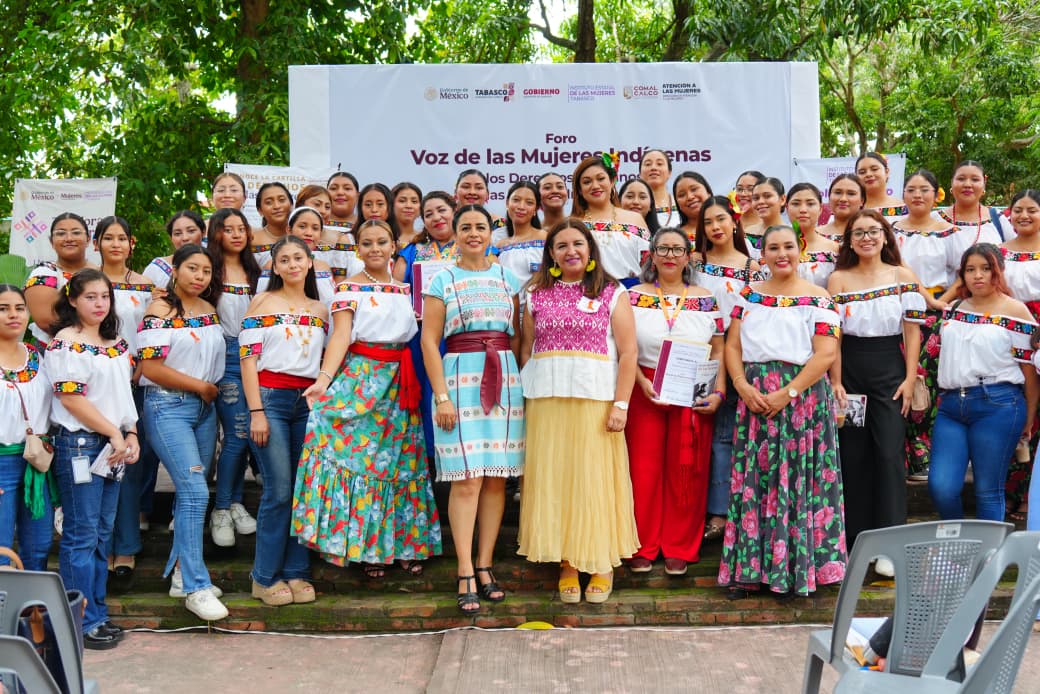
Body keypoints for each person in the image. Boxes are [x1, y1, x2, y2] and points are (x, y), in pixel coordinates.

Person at [294, 220, 441, 577]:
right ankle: (365, 548)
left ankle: (407, 544)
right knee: (360, 462)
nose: (375, 248)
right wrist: (324, 380)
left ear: (394, 246)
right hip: (362, 379)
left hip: (402, 383)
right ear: (357, 249)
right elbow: (341, 337)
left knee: (402, 465)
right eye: (367, 243)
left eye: (382, 242)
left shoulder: (411, 289)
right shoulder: (347, 289)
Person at [720, 225, 846, 599]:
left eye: (788, 246)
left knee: (799, 480)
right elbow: (732, 346)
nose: (781, 254)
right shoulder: (748, 296)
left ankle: (798, 571)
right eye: (773, 247)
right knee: (756, 480)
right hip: (755, 396)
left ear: (800, 250)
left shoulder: (819, 298)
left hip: (801, 399)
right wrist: (742, 386)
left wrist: (787, 393)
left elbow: (825, 353)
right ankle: (751, 571)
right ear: (763, 254)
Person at [518, 219, 639, 604]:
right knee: (555, 479)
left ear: (590, 251)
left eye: (577, 244)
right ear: (550, 254)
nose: (570, 251)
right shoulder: (535, 294)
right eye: (561, 245)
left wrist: (621, 403)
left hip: (595, 398)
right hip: (547, 400)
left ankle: (601, 563)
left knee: (593, 479)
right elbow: (526, 349)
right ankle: (567, 561)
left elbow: (629, 352)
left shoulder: (611, 292)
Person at [421, 204, 525, 614]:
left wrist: (513, 379)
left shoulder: (507, 277)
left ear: (491, 232)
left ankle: (485, 565)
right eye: (465, 227)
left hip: (504, 381)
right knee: (466, 479)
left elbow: (515, 336)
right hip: (459, 381)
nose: (473, 233)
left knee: (497, 481)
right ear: (456, 233)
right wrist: (442, 396)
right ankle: (463, 567)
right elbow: (430, 342)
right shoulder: (442, 278)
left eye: (480, 227)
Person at [828, 210, 925, 573]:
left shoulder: (903, 276)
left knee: (887, 453)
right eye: (858, 232)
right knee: (853, 457)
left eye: (873, 231)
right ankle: (855, 541)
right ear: (849, 240)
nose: (866, 237)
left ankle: (891, 546)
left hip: (890, 370)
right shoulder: (837, 280)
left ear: (885, 236)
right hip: (849, 370)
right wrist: (836, 381)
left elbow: (912, 331)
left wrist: (909, 375)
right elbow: (832, 336)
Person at [625, 228, 725, 576]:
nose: (670, 255)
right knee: (643, 469)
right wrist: (639, 381)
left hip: (693, 386)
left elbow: (719, 347)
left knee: (688, 469)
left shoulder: (706, 297)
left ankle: (679, 546)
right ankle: (642, 544)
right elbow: (625, 348)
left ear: (688, 256)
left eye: (677, 249)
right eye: (662, 248)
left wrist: (717, 392)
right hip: (644, 386)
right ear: (651, 255)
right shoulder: (633, 296)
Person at [48, 269, 138, 647]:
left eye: (104, 296)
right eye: (90, 297)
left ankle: (98, 614)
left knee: (103, 533)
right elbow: (71, 398)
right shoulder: (65, 343)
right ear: (72, 300)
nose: (99, 304)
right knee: (81, 535)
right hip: (81, 445)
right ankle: (77, 623)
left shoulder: (115, 341)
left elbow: (122, 393)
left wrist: (130, 431)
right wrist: (113, 431)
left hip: (112, 445)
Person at [138, 245, 227, 621]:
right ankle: (195, 585)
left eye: (206, 271)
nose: (199, 277)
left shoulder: (208, 310)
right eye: (192, 268)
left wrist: (206, 393)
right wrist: (199, 386)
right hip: (168, 405)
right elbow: (150, 367)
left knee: (194, 492)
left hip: (204, 409)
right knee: (192, 492)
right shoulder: (159, 310)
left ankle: (179, 574)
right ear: (174, 270)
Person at [240, 236, 328, 605]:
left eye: (299, 258)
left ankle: (295, 572)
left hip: (307, 403)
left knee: (301, 491)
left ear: (309, 263)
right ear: (274, 267)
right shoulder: (262, 302)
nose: (292, 264)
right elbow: (246, 359)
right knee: (278, 490)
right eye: (285, 259)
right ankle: (263, 577)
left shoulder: (320, 308)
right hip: (271, 400)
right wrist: (256, 411)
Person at [928, 243, 1037, 522]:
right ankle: (958, 548)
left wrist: (1029, 419)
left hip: (998, 405)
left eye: (986, 269)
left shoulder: (1016, 312)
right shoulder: (954, 308)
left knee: (988, 490)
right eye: (970, 269)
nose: (978, 276)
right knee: (941, 487)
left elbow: (1029, 374)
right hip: (952, 405)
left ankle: (988, 559)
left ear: (998, 271)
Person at [692, 196, 764, 542]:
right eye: (708, 222)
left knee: (734, 437)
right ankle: (709, 511)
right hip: (697, 358)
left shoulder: (754, 267)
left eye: (721, 219)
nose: (715, 227)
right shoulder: (695, 264)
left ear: (735, 222)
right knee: (703, 439)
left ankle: (735, 511)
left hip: (740, 357)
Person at [93, 216, 154, 583]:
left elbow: (152, 330)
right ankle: (102, 545)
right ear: (97, 242)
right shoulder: (86, 280)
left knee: (130, 463)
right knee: (99, 462)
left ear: (132, 243)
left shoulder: (147, 286)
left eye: (121, 238)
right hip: (97, 380)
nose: (115, 244)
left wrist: (142, 367)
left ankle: (127, 547)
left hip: (135, 378)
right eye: (108, 238)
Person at [892, 170, 960, 480]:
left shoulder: (949, 231)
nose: (917, 195)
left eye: (924, 190)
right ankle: (901, 453)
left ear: (937, 195)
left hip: (935, 315)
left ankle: (924, 453)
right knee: (897, 378)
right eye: (911, 189)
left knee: (926, 381)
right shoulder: (891, 230)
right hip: (894, 312)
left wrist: (938, 300)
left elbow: (963, 273)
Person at [207, 209, 261, 548]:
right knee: (239, 432)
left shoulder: (259, 271)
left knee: (250, 435)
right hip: (225, 355)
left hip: (259, 355)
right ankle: (222, 508)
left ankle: (236, 500)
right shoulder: (209, 269)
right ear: (216, 233)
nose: (237, 234)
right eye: (229, 229)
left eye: (242, 229)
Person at [394, 191, 460, 461]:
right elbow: (394, 295)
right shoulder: (411, 252)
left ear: (454, 211)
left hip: (462, 338)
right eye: (428, 214)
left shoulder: (474, 246)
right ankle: (430, 470)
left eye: (441, 210)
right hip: (424, 338)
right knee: (427, 401)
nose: (436, 217)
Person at [0, 286, 53, 572]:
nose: (13, 315)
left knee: (39, 545)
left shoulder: (37, 356)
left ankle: (32, 614)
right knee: (1, 549)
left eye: (19, 308)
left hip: (37, 462)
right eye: (3, 308)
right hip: (1, 461)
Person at [1003, 190, 1040, 521]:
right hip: (1008, 327)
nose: (1024, 215)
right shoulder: (999, 252)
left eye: (1032, 210)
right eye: (1018, 210)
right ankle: (1013, 490)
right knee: (1017, 405)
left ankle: (1034, 496)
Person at [570, 155, 649, 287]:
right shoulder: (571, 224)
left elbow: (649, 265)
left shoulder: (634, 219)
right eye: (587, 182)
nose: (595, 186)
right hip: (586, 294)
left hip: (631, 294)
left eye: (601, 179)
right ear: (579, 189)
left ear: (612, 181)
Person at [24, 213, 95, 351]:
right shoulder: (44, 273)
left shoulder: (101, 274)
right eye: (61, 233)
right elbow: (46, 321)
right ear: (51, 242)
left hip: (99, 352)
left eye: (76, 233)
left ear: (88, 239)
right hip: (53, 352)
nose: (69, 238)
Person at [256, 207, 338, 305]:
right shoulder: (272, 265)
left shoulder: (324, 267)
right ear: (289, 230)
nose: (308, 233)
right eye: (302, 226)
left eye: (315, 228)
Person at [495, 181, 546, 294]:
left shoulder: (545, 238)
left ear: (536, 209)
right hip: (506, 308)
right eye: (516, 200)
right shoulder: (499, 246)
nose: (521, 207)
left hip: (535, 308)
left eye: (529, 202)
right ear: (507, 203)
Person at [788, 183, 839, 288]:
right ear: (787, 207)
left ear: (820, 209)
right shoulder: (773, 246)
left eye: (810, 204)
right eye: (796, 204)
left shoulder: (833, 249)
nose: (803, 210)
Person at [144, 211, 206, 290]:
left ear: (203, 232)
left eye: (191, 231)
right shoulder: (157, 269)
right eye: (177, 233)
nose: (185, 238)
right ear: (171, 238)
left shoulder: (217, 265)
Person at [251, 182, 295, 266]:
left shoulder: (302, 236)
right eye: (269, 202)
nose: (277, 206)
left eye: (282, 200)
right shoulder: (252, 240)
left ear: (291, 204)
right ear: (260, 210)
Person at [855, 152, 906, 220]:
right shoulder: (851, 209)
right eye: (862, 172)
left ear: (887, 172)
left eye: (874, 169)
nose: (868, 174)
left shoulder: (904, 208)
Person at [817, 174, 866, 243]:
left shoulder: (872, 234)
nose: (843, 199)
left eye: (851, 194)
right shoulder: (815, 235)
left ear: (862, 200)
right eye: (837, 193)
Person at [747, 177, 787, 257]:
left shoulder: (794, 234)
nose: (760, 202)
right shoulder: (746, 233)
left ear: (782, 199)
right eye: (756, 198)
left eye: (767, 196)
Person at [638, 149, 676, 227]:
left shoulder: (680, 204)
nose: (653, 168)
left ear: (669, 172)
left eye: (659, 164)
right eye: (648, 164)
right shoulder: (633, 205)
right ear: (640, 174)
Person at [674, 171, 714, 244]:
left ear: (708, 193)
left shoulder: (726, 227)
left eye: (694, 189)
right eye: (682, 195)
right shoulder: (673, 236)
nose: (690, 197)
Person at [392, 182, 424, 249]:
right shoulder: (382, 238)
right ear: (391, 205)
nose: (409, 206)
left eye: (414, 201)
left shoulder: (426, 239)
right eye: (402, 201)